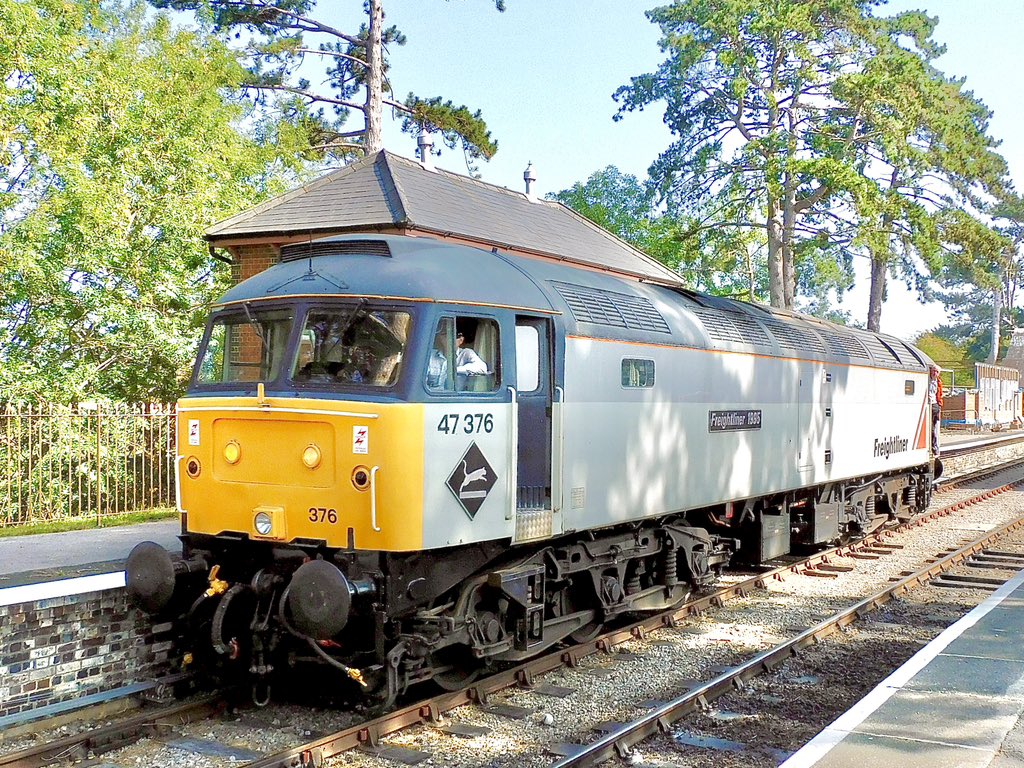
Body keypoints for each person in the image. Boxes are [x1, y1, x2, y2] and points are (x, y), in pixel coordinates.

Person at [929, 365, 943, 455]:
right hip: (928, 404)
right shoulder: (927, 380)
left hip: (935, 405)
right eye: (933, 371)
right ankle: (933, 446)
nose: (935, 373)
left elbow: (940, 395)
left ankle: (935, 446)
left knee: (934, 427)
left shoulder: (938, 382)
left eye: (937, 372)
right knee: (931, 427)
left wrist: (939, 405)